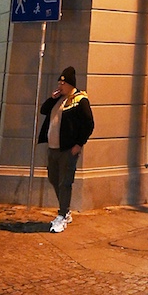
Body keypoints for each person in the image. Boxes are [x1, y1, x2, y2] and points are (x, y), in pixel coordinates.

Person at [38, 66, 94, 233]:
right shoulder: (58, 99)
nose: (60, 86)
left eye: (63, 83)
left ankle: (62, 215)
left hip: (68, 150)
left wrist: (79, 144)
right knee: (53, 178)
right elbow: (43, 110)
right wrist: (51, 98)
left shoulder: (79, 100)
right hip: (53, 148)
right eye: (59, 83)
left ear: (70, 84)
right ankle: (66, 210)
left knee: (65, 182)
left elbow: (89, 124)